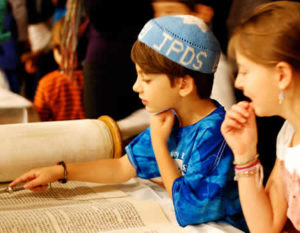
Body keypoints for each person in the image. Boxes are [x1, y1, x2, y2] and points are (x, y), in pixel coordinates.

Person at [10, 15, 247, 231]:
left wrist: (159, 144)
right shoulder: (170, 118)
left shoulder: (216, 134)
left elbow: (188, 209)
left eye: (146, 79)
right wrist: (60, 171)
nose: (136, 86)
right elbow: (123, 167)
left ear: (184, 84)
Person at [220, 1, 300, 232]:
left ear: (282, 74)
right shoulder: (288, 133)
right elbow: (265, 227)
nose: (238, 82)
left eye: (245, 71)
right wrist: (244, 153)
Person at [33, 17, 85, 121]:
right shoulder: (93, 79)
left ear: (56, 50)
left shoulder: (47, 84)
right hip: (92, 135)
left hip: (59, 135)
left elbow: (37, 119)